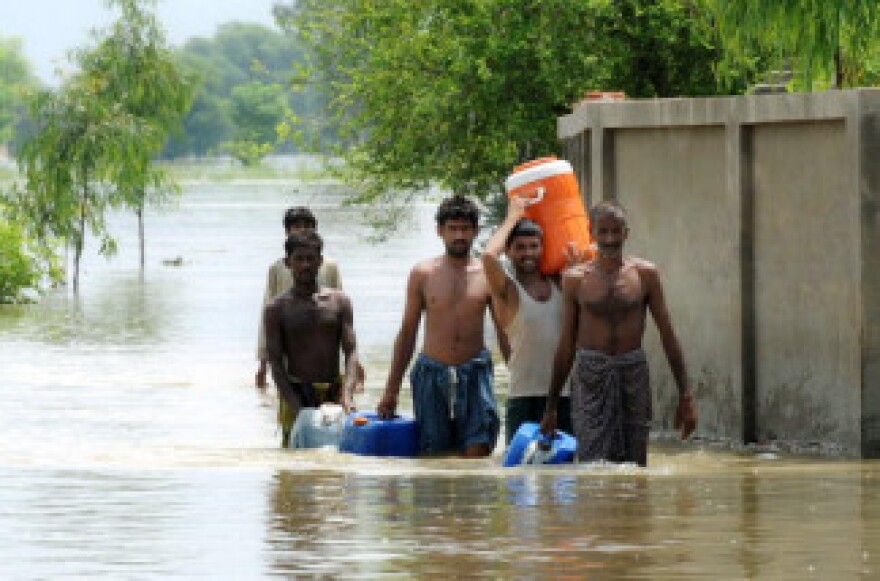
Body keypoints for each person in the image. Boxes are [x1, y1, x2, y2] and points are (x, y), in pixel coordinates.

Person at [540, 200, 697, 466]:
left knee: (634, 463)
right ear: (592, 232)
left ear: (626, 233)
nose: (610, 239)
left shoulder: (645, 274)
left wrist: (686, 396)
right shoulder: (575, 279)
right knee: (592, 461)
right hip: (590, 374)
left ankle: (631, 509)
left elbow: (668, 335)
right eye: (603, 232)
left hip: (632, 372)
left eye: (616, 231)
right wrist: (551, 407)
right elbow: (566, 345)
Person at [377, 195, 506, 457]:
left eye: (465, 229)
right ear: (440, 231)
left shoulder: (488, 273)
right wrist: (391, 389)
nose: (459, 235)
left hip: (475, 371)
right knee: (434, 453)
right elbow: (408, 332)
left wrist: (521, 381)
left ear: (476, 231)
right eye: (452, 229)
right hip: (431, 373)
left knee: (478, 450)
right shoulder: (423, 273)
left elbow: (504, 331)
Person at [482, 197, 575, 443]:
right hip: (523, 397)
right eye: (520, 247)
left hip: (564, 396)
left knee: (567, 474)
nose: (528, 253)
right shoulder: (508, 291)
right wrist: (513, 217)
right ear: (509, 252)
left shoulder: (561, 283)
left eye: (534, 246)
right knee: (519, 476)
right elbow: (489, 257)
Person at [264, 230, 359, 447]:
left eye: (311, 259)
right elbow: (276, 364)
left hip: (334, 392)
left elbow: (351, 351)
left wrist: (347, 394)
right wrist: (298, 408)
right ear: (288, 263)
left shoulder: (339, 302)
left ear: (320, 262)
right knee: (295, 462)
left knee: (337, 459)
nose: (305, 265)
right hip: (295, 392)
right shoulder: (277, 308)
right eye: (299, 259)